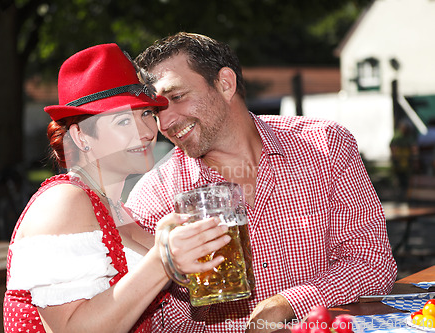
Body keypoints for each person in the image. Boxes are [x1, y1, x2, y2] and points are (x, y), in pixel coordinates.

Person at [126, 32, 398, 332]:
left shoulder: (324, 146)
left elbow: (371, 263)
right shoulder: (154, 197)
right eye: (155, 110)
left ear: (225, 84)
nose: (165, 123)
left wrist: (283, 305)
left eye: (177, 97)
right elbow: (160, 321)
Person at [3, 43, 232, 333]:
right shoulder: (64, 201)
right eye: (123, 120)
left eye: (147, 114)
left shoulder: (120, 209)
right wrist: (164, 260)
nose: (147, 132)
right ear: (80, 135)